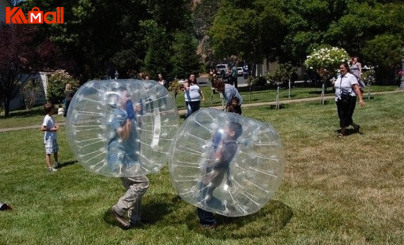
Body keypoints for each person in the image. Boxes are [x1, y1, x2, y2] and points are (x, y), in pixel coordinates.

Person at [109, 87, 150, 229]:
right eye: (127, 96)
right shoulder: (116, 116)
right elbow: (124, 136)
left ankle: (135, 219)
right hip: (122, 158)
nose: (130, 98)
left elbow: (137, 132)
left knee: (135, 187)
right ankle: (119, 209)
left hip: (131, 156)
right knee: (142, 183)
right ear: (119, 99)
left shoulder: (126, 113)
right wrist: (129, 118)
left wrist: (135, 115)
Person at [197, 121, 243, 228]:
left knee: (203, 196)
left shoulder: (232, 146)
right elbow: (214, 148)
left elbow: (220, 158)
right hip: (211, 170)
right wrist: (215, 139)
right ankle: (225, 208)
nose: (223, 130)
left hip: (216, 173)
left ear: (232, 133)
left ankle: (208, 222)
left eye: (226, 128)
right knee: (205, 195)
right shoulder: (226, 141)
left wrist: (221, 143)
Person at [334, 62, 365, 137]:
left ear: (346, 68)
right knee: (342, 115)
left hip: (349, 99)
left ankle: (342, 133)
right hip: (339, 99)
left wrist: (360, 99)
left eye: (342, 68)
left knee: (344, 115)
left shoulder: (351, 77)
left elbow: (356, 88)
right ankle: (355, 126)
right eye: (340, 68)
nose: (341, 70)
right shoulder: (339, 77)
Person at [41, 102, 60, 172]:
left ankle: (56, 163)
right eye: (53, 109)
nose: (54, 110)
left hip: (53, 137)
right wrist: (51, 129)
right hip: (48, 139)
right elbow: (42, 128)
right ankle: (49, 167)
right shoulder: (47, 118)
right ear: (51, 110)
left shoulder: (51, 117)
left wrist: (55, 127)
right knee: (48, 153)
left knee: (55, 150)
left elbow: (52, 126)